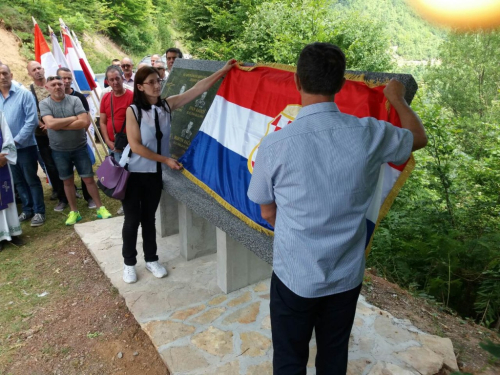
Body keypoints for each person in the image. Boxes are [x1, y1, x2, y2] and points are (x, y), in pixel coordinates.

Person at [247, 42, 427, 375]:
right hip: (345, 276)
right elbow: (418, 137)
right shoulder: (369, 133)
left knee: (289, 358)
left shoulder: (276, 145)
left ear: (298, 82)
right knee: (333, 355)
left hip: (294, 276)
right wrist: (397, 98)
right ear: (341, 84)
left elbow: (267, 210)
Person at [121, 60, 236, 283]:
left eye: (158, 81)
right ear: (140, 86)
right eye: (151, 82)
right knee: (132, 219)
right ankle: (129, 263)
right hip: (133, 174)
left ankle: (152, 259)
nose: (157, 85)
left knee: (149, 219)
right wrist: (166, 159)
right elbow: (135, 146)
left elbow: (197, 89)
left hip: (154, 174)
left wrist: (222, 72)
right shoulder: (133, 111)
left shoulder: (166, 106)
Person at [39, 75, 112, 225]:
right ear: (47, 87)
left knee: (89, 179)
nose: (58, 87)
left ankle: (100, 208)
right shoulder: (44, 104)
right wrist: (73, 118)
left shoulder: (75, 100)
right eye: (53, 85)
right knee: (67, 181)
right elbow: (50, 123)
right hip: (59, 150)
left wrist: (59, 125)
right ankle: (74, 212)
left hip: (80, 147)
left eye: (59, 84)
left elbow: (84, 122)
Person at [0, 64, 46, 227]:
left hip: (25, 146)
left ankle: (39, 211)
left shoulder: (24, 94)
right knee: (17, 181)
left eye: (5, 73)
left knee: (31, 179)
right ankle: (27, 209)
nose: (2, 77)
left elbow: (31, 121)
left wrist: (15, 142)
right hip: (5, 150)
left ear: (11, 75)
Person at [26, 61, 69, 212]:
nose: (37, 71)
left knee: (64, 160)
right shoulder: (29, 90)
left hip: (58, 130)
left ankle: (70, 188)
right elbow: (30, 111)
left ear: (43, 69)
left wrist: (54, 124)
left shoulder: (53, 83)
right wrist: (42, 125)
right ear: (29, 74)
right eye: (34, 70)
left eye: (39, 68)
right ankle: (59, 191)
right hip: (42, 133)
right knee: (50, 164)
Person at [56, 67, 95, 209]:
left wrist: (75, 132)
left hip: (79, 143)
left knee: (86, 173)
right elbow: (52, 123)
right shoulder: (52, 99)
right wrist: (72, 122)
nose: (66, 81)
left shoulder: (79, 97)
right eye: (63, 78)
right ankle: (65, 200)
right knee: (65, 176)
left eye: (68, 78)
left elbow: (86, 121)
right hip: (60, 146)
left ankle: (89, 198)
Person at [0, 111, 23, 251]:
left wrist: (4, 156)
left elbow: (6, 134)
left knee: (8, 196)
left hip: (2, 160)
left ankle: (13, 233)